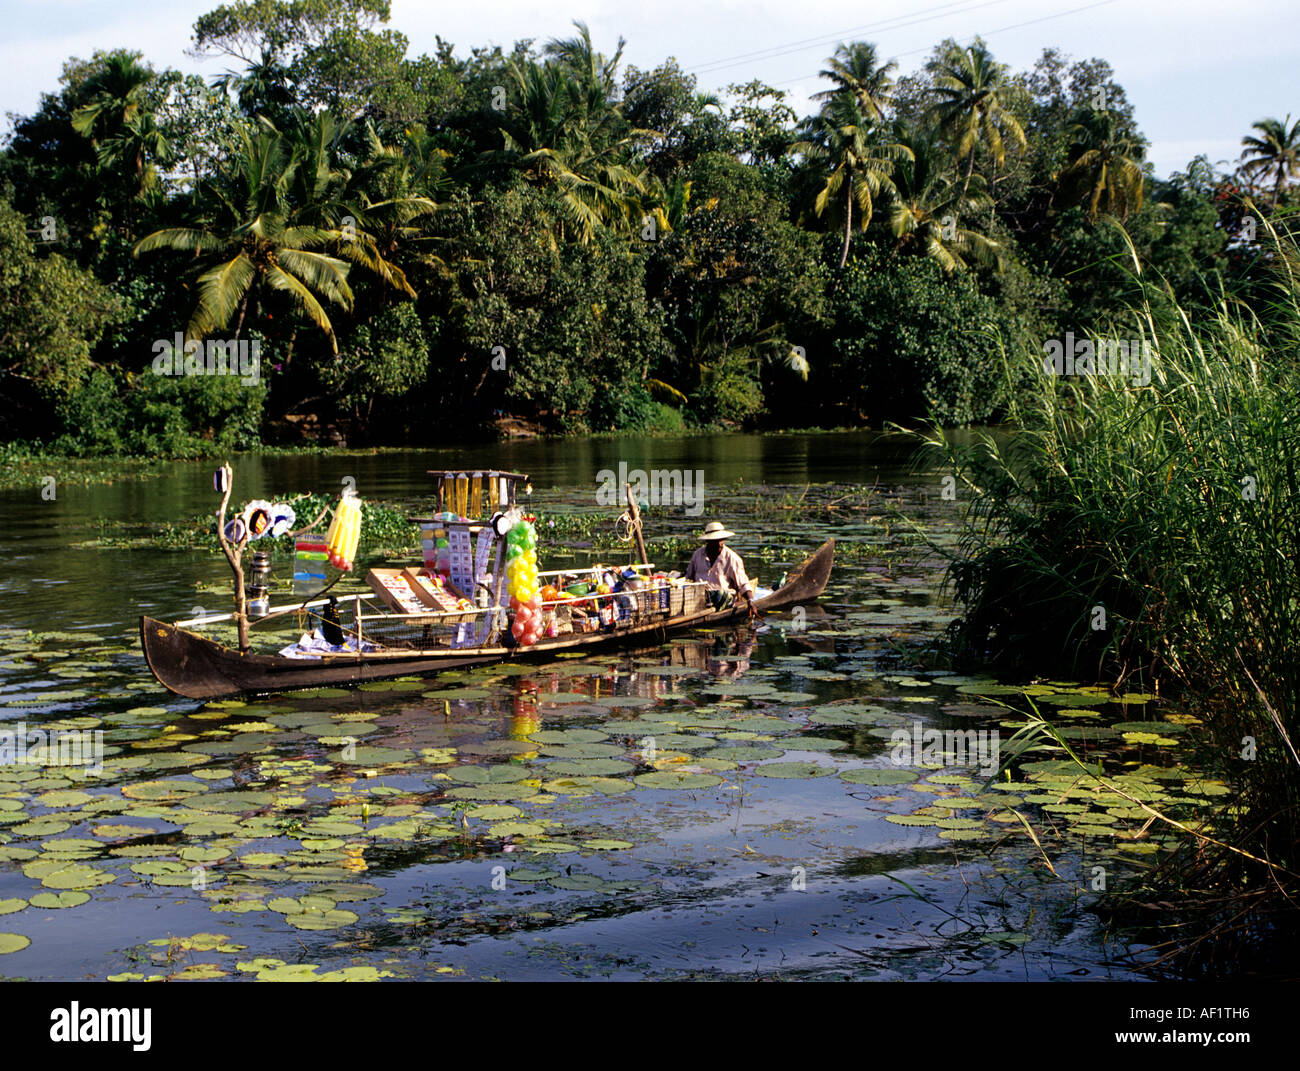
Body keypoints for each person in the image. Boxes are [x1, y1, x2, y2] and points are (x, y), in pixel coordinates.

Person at [685, 521, 756, 617]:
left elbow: (743, 584)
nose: (719, 544)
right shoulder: (697, 555)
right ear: (708, 541)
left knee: (721, 594)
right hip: (700, 600)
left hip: (723, 601)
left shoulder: (732, 558)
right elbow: (689, 577)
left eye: (721, 540)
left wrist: (750, 601)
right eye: (715, 541)